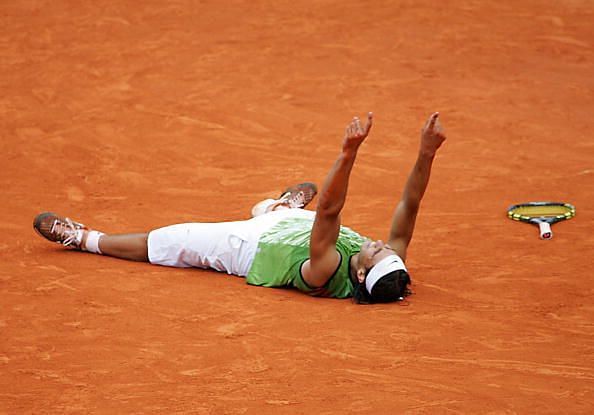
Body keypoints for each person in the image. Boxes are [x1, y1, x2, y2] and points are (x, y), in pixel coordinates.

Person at [34, 112, 446, 303]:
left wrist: (348, 154)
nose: (379, 243)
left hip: (248, 248)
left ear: (359, 273)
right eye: (387, 249)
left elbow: (330, 214)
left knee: (175, 239)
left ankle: (85, 238)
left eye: (376, 251)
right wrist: (426, 153)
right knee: (277, 211)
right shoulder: (385, 264)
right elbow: (411, 203)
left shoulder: (327, 269)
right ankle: (278, 207)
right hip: (296, 227)